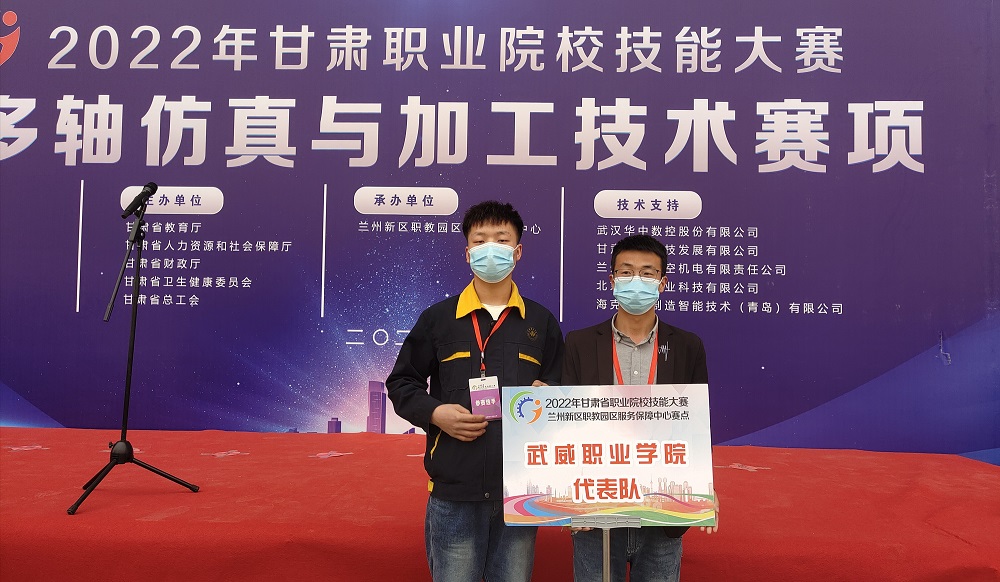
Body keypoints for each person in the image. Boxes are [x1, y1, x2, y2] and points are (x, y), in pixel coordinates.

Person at [386, 200, 565, 582]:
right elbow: (402, 382)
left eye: (502, 239)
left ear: (517, 251)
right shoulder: (439, 319)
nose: (491, 249)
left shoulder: (541, 322)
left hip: (519, 491)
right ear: (468, 252)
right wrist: (435, 413)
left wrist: (550, 396)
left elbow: (563, 387)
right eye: (480, 241)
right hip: (455, 490)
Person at [562, 234, 715, 582]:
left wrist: (705, 486)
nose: (636, 281)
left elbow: (696, 424)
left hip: (663, 508)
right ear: (612, 280)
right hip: (597, 507)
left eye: (647, 273)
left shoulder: (688, 346)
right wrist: (569, 496)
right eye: (626, 272)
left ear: (662, 283)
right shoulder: (579, 343)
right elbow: (568, 426)